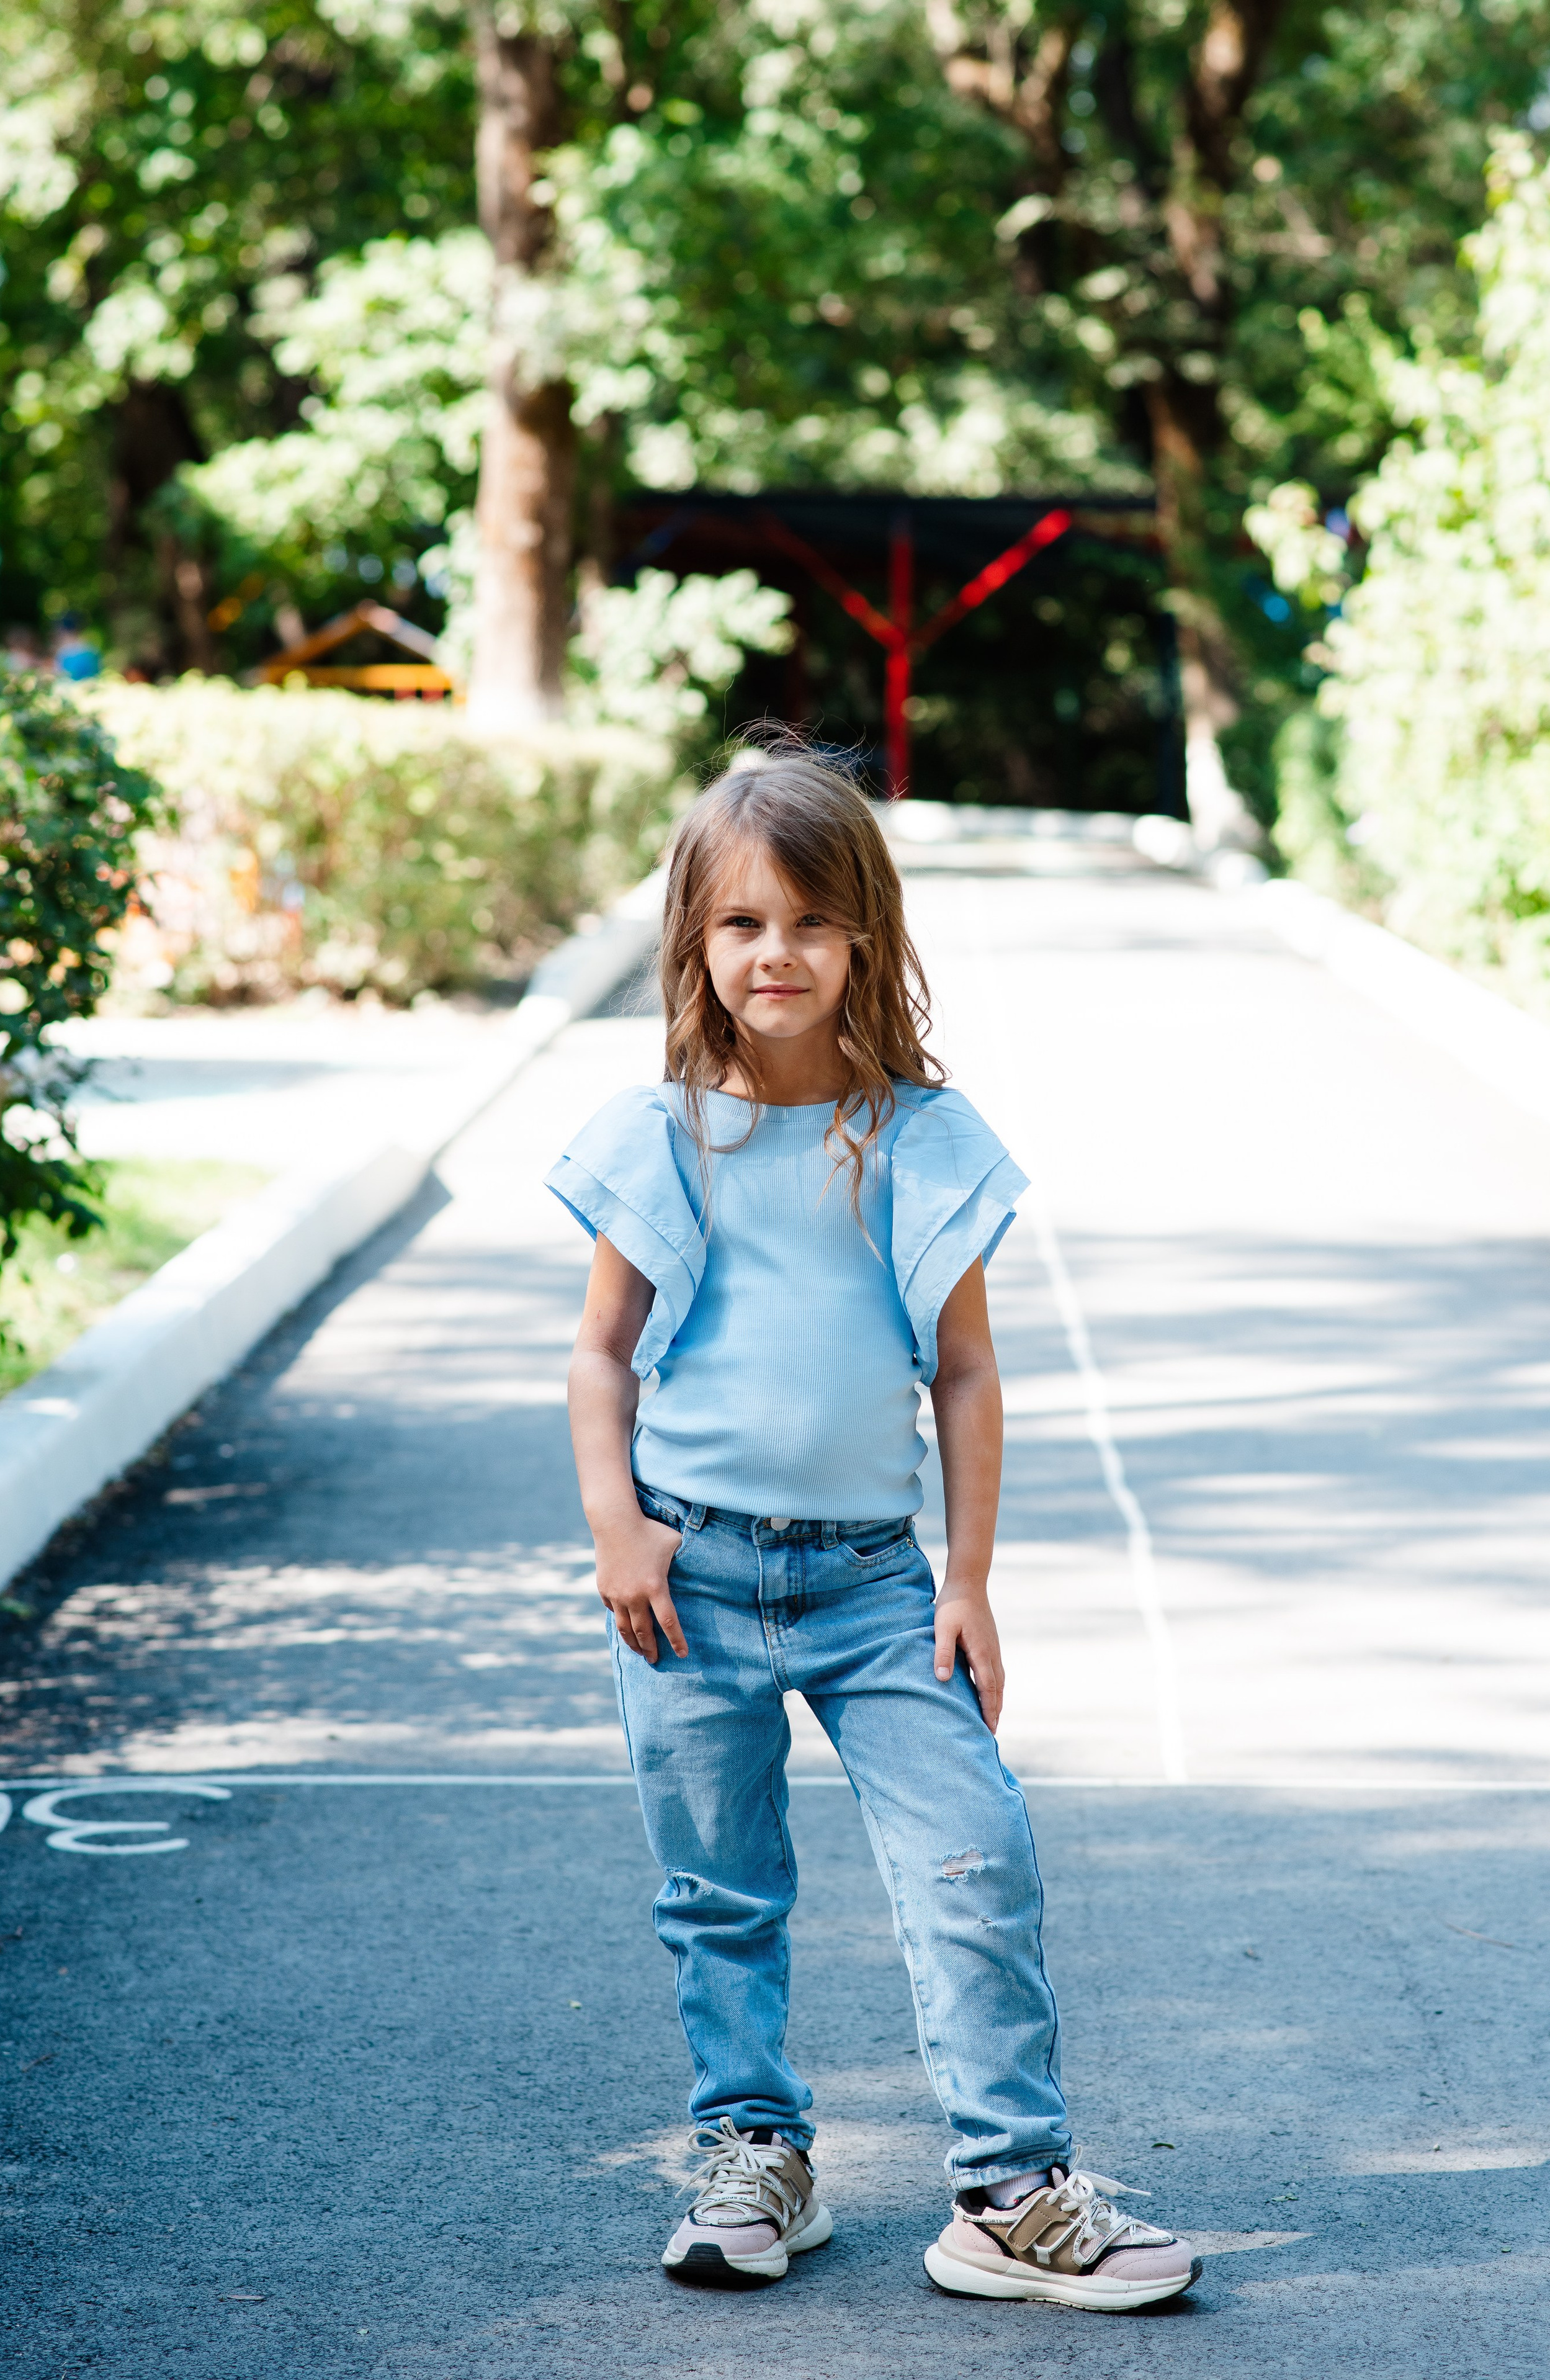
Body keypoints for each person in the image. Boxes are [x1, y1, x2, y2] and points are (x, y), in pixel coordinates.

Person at [547, 744, 1199, 2310]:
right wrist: (615, 1525)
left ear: (863, 938)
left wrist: (966, 1579)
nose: (774, 953)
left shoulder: (919, 1138)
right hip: (686, 1577)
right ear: (693, 940)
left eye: (808, 922)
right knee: (717, 1889)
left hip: (871, 1584)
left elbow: (964, 1370)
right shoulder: (658, 1136)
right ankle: (753, 2152)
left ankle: (1007, 2190)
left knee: (974, 1853)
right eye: (739, 923)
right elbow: (598, 1355)